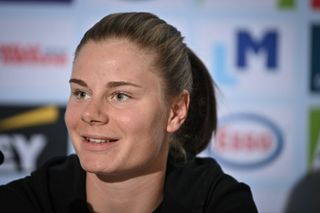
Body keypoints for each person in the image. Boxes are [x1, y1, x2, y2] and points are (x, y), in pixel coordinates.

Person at [0, 12, 257, 213]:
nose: (91, 113)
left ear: (176, 112)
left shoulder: (219, 203)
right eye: (81, 93)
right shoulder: (28, 201)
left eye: (120, 96)